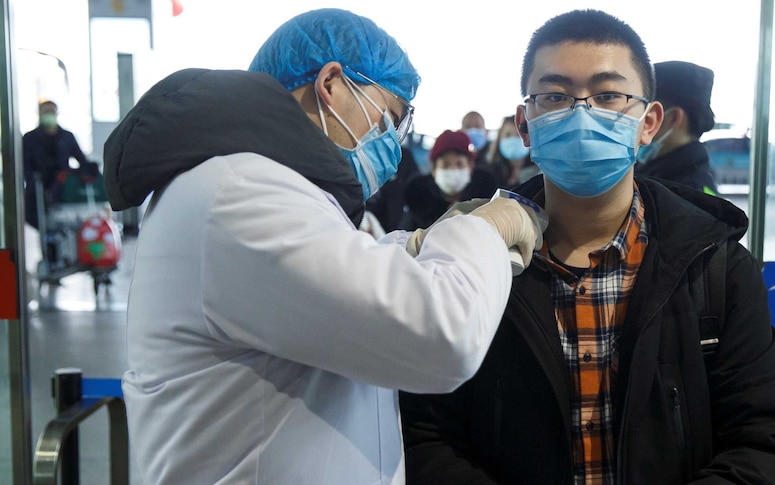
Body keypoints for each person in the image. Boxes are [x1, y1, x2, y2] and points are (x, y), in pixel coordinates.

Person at [102, 9, 541, 484]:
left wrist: (417, 247)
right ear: (331, 84)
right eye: (389, 118)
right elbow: (440, 333)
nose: (393, 143)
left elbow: (339, 278)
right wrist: (487, 229)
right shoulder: (237, 191)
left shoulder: (267, 186)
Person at [400, 9, 775, 484]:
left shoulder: (715, 267)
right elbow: (425, 434)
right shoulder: (466, 260)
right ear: (525, 123)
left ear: (649, 122)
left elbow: (765, 440)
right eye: (555, 96)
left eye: (609, 95)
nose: (581, 113)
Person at [635, 60, 719, 195]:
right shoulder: (659, 176)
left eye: (647, 114)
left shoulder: (691, 197)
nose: (640, 124)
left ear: (673, 117)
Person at [401, 129, 499, 230]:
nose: (453, 170)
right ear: (433, 169)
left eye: (459, 164)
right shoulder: (417, 206)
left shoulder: (486, 206)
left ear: (470, 168)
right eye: (445, 165)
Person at [22, 100, 90, 228]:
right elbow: (25, 165)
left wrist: (76, 176)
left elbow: (82, 160)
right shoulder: (29, 138)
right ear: (40, 114)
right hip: (37, 190)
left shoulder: (67, 137)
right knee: (39, 223)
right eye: (46, 112)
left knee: (61, 224)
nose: (49, 115)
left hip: (61, 189)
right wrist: (32, 180)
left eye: (51, 112)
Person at [482, 114, 540, 189]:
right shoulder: (488, 174)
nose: (513, 140)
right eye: (508, 135)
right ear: (499, 139)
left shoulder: (540, 174)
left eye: (518, 135)